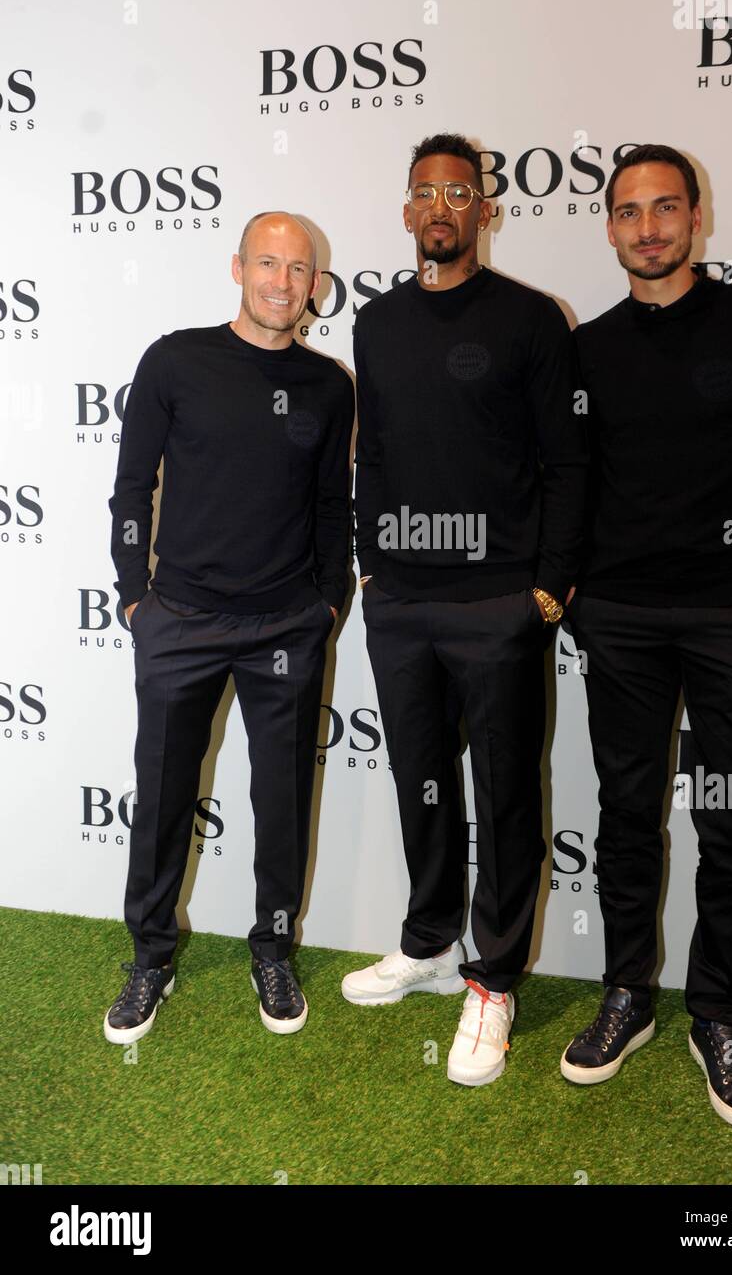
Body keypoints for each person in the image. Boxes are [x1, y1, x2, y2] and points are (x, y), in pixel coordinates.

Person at [562, 145, 732, 1129]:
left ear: (695, 217)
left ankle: (716, 1012)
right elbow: (569, 480)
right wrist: (581, 597)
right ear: (610, 227)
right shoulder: (585, 348)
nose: (647, 227)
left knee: (730, 823)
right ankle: (626, 994)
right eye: (628, 211)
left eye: (664, 207)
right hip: (621, 624)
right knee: (627, 816)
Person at [343, 132, 586, 1087]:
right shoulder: (374, 321)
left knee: (505, 793)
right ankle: (431, 939)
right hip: (401, 602)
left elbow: (567, 464)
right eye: (423, 192)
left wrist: (547, 587)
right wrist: (371, 565)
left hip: (498, 602)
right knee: (421, 781)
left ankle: (493, 980)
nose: (440, 206)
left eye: (458, 191)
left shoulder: (531, 319)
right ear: (406, 212)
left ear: (484, 208)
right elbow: (374, 454)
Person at [104, 212, 354, 1043]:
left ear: (316, 284)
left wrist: (327, 604)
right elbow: (132, 486)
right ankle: (150, 958)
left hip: (286, 624)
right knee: (164, 794)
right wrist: (134, 596)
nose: (283, 283)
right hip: (177, 620)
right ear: (238, 267)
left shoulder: (330, 385)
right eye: (268, 264)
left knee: (281, 801)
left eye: (299, 269)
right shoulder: (175, 359)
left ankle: (273, 949)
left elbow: (331, 508)